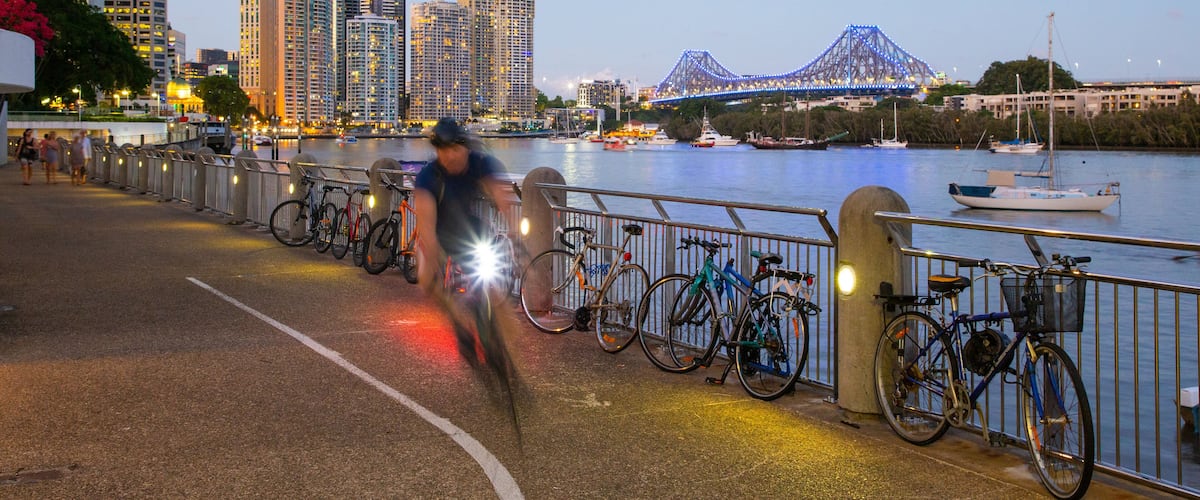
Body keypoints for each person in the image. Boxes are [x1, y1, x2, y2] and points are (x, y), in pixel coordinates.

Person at [412, 117, 526, 413]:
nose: (449, 157)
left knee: (491, 287)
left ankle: (503, 352)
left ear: (465, 146)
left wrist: (515, 235)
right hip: (439, 231)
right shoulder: (428, 178)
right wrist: (435, 260)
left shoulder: (480, 163)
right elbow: (426, 226)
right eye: (442, 151)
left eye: (455, 149)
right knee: (426, 279)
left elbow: (502, 200)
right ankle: (457, 321)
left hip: (471, 232)